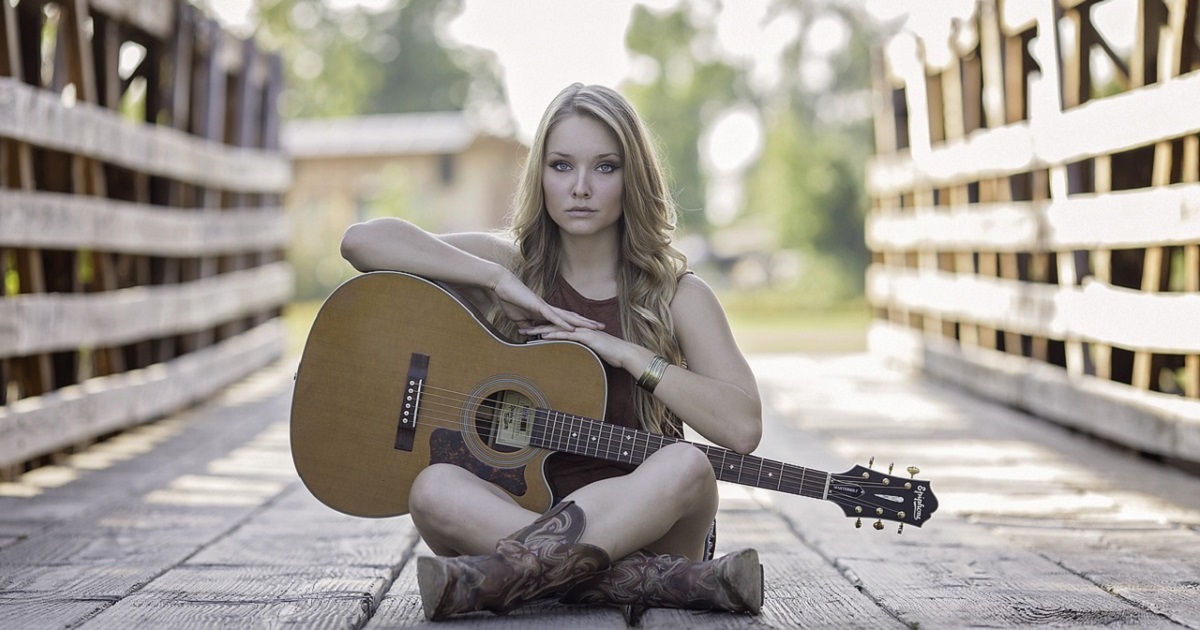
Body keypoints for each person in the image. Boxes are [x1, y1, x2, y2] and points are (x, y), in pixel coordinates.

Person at [340, 83, 764, 622]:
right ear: (539, 174)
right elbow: (362, 242)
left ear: (632, 177)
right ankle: (649, 584)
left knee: (685, 463)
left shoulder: (678, 294)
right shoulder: (512, 269)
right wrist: (494, 278)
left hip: (656, 531)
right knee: (432, 488)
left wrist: (632, 356)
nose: (581, 187)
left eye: (605, 167)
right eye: (562, 166)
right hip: (521, 515)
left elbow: (744, 428)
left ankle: (514, 576)